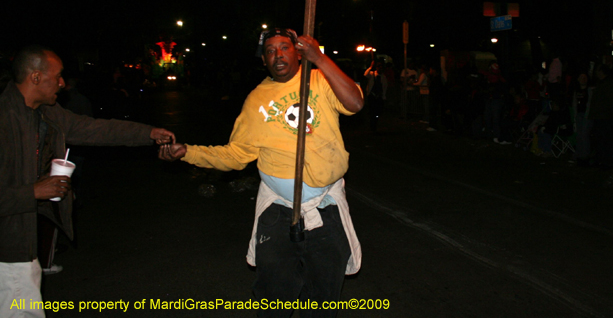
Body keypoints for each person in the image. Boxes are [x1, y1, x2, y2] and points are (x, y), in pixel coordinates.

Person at [159, 28, 363, 318]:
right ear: (264, 60)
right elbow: (236, 155)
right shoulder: (257, 99)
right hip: (279, 213)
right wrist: (188, 152)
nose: (277, 54)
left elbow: (354, 103)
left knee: (323, 300)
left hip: (325, 212)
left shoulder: (320, 79)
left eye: (284, 47)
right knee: (273, 297)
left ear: (298, 52)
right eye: (270, 50)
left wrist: (320, 58)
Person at [0, 45, 175, 318]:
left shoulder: (45, 112)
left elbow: (94, 129)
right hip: (8, 249)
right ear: (35, 77)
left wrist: (148, 132)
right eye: (57, 76)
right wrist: (32, 191)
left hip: (20, 238)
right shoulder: (4, 118)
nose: (63, 83)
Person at [364, 60, 387, 132]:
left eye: (381, 67)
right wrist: (371, 67)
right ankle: (372, 126)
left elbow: (384, 87)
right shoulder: (372, 74)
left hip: (379, 96)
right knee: (372, 112)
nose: (380, 68)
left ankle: (374, 125)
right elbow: (365, 74)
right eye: (378, 67)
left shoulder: (383, 77)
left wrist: (383, 96)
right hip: (372, 96)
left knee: (377, 112)